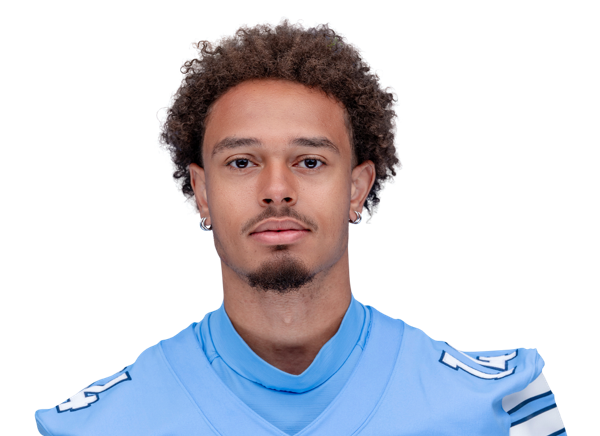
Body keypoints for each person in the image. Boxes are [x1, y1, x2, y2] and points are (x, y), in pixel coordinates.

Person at [34, 17, 566, 435]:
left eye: (309, 161)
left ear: (357, 187)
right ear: (202, 192)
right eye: (242, 162)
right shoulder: (89, 428)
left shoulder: (502, 408)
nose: (276, 189)